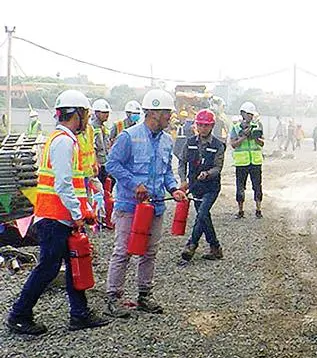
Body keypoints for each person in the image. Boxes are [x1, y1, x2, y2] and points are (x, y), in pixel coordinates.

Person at [5, 90, 109, 335]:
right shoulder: (63, 142)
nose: (86, 119)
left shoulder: (63, 139)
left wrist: (80, 211)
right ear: (78, 114)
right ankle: (19, 314)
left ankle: (79, 314)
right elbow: (63, 184)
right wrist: (77, 214)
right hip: (54, 218)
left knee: (74, 264)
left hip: (58, 217)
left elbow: (70, 184)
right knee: (48, 268)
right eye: (85, 114)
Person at [104, 89, 186, 318]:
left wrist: (174, 189)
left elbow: (167, 172)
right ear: (153, 112)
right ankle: (113, 297)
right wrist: (133, 185)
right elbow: (112, 164)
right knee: (123, 251)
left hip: (156, 206)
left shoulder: (167, 141)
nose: (170, 117)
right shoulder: (129, 137)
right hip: (130, 206)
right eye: (167, 112)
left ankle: (144, 295)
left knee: (150, 252)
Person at [180, 110, 225, 262]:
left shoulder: (218, 145)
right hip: (195, 187)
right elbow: (182, 162)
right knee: (204, 217)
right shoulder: (190, 142)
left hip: (211, 188)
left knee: (201, 214)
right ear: (196, 125)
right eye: (200, 125)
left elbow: (218, 167)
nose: (203, 128)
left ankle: (191, 245)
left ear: (212, 126)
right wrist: (183, 180)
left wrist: (208, 173)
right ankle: (215, 247)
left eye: (206, 125)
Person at [230, 101, 265, 219]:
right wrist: (243, 136)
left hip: (255, 162)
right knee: (240, 187)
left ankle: (258, 209)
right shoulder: (235, 128)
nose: (250, 116)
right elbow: (233, 144)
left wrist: (255, 138)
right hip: (241, 163)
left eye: (251, 114)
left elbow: (262, 143)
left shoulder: (257, 127)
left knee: (257, 186)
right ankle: (240, 211)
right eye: (248, 113)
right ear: (242, 114)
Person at [90, 99, 112, 184]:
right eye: (104, 112)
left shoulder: (104, 128)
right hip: (97, 164)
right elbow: (92, 147)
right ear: (96, 113)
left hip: (105, 164)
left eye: (107, 112)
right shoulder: (92, 127)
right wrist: (95, 162)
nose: (106, 115)